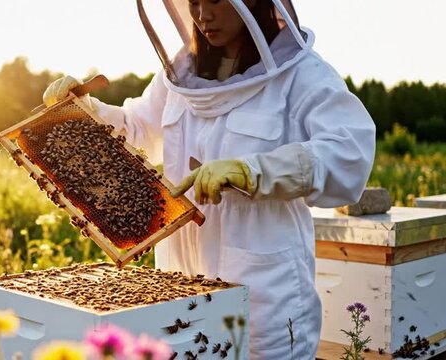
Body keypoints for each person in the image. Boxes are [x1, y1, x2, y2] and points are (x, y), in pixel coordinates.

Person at [43, 0, 375, 358]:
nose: (203, 15)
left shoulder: (300, 74)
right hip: (180, 285)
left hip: (265, 296)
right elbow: (136, 128)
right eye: (194, 2)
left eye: (215, 1)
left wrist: (253, 170)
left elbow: (349, 152)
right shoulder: (180, 76)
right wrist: (84, 111)